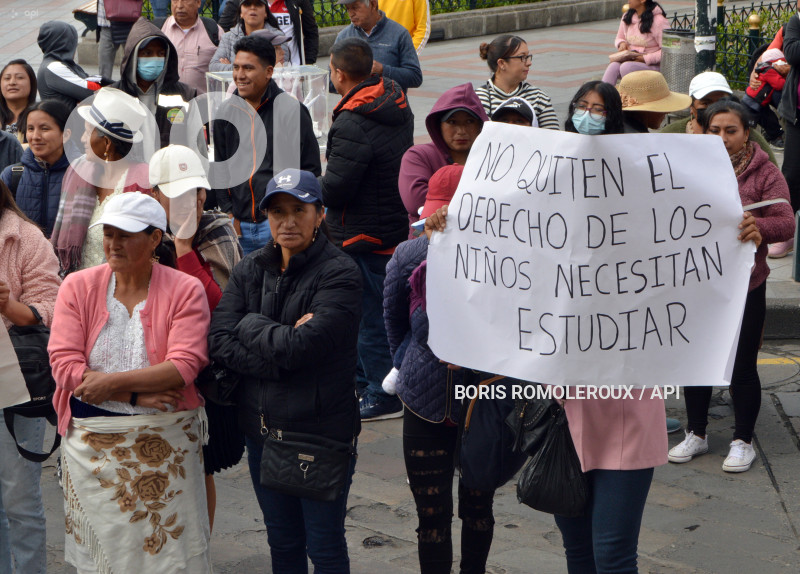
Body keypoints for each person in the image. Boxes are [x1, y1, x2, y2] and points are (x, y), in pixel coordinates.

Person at [424, 82, 667, 573]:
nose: (591, 116)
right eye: (582, 107)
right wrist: (451, 225)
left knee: (613, 555)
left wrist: (738, 237)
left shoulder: (644, 205)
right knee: (577, 550)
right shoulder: (544, 201)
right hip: (560, 412)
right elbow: (499, 244)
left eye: (601, 109)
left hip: (627, 407)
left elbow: (692, 272)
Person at [49, 192, 212, 573]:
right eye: (108, 233)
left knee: (167, 556)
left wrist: (104, 384)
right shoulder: (78, 286)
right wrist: (132, 393)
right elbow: (64, 365)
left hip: (165, 439)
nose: (113, 244)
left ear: (156, 239)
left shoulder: (185, 289)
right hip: (93, 445)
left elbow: (183, 366)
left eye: (126, 234)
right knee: (102, 557)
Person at [208, 169, 362, 573]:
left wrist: (249, 324)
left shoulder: (340, 272)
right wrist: (279, 354)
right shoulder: (250, 268)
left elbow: (301, 348)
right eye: (278, 211)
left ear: (319, 214)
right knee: (282, 540)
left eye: (299, 209)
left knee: (324, 546)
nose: (288, 221)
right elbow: (219, 341)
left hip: (320, 432)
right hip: (262, 430)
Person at [384, 164, 500, 574]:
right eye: (436, 214)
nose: (441, 223)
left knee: (478, 507)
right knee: (430, 517)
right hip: (423, 400)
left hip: (481, 401)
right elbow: (394, 323)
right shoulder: (408, 256)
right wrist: (406, 366)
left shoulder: (501, 260)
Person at [669, 100, 794, 474]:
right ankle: (697, 433)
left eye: (731, 131)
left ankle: (742, 440)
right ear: (702, 130)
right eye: (714, 130)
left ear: (747, 133)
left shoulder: (764, 173)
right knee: (697, 361)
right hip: (696, 284)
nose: (722, 139)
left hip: (745, 286)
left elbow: (786, 222)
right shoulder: (686, 168)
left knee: (741, 365)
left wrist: (760, 229)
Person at [148, 144, 243, 531]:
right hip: (155, 371)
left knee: (200, 462)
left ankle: (199, 548)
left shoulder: (217, 230)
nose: (193, 200)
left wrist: (186, 248)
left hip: (207, 373)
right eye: (179, 192)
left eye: (197, 191)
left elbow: (222, 308)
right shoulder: (144, 234)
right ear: (156, 195)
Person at [321, 38, 414, 421]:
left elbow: (338, 187)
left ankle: (382, 392)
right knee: (378, 311)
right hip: (390, 222)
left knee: (370, 318)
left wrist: (315, 184)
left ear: (339, 74)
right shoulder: (393, 99)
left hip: (361, 232)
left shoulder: (353, 120)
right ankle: (366, 381)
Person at [211, 34, 321, 255]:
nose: (239, 76)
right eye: (236, 67)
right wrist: (229, 213)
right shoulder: (225, 113)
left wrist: (291, 217)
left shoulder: (292, 111)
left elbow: (310, 171)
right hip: (239, 227)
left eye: (248, 68)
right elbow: (220, 169)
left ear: (269, 72)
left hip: (279, 227)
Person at [0, 179, 61, 574]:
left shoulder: (22, 235)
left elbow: (55, 305)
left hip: (18, 383)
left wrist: (11, 305)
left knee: (20, 501)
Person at [51, 87, 151, 275]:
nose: (82, 139)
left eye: (88, 132)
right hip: (76, 285)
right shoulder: (77, 171)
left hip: (121, 286)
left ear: (107, 144)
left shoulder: (143, 182)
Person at [399, 82, 488, 233]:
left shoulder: (492, 158)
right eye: (452, 122)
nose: (461, 131)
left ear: (481, 125)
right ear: (438, 124)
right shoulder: (418, 156)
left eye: (469, 121)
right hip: (427, 245)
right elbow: (416, 202)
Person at [112, 18, 200, 150]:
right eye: (147, 53)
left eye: (160, 54)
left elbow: (198, 147)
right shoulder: (113, 97)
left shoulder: (185, 96)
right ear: (133, 56)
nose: (155, 59)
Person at [0, 100, 71, 237]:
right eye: (30, 129)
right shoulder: (12, 175)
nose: (35, 137)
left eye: (44, 129)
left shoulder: (80, 174)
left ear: (66, 134)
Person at [334, 0, 423, 92]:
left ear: (373, 4)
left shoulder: (399, 34)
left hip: (390, 105)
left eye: (355, 7)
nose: (351, 14)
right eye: (347, 9)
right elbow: (331, 81)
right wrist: (350, 75)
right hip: (356, 105)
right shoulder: (344, 37)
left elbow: (415, 77)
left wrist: (383, 70)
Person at [475, 35, 559, 128]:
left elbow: (553, 138)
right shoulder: (478, 99)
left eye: (528, 57)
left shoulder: (538, 98)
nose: (528, 63)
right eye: (522, 57)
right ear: (502, 63)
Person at [218, 0, 319, 65]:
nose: (252, 7)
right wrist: (236, 67)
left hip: (291, 71)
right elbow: (221, 31)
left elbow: (311, 31)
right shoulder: (239, 2)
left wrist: (308, 63)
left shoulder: (298, 2)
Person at [160, 0, 225, 94]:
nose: (179, 6)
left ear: (198, 2)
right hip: (167, 105)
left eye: (185, 0)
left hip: (202, 104)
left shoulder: (214, 31)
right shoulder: (160, 29)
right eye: (175, 0)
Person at [37, 21, 105, 111]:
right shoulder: (53, 67)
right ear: (63, 44)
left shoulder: (58, 64)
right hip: (65, 123)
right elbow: (92, 91)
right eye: (72, 42)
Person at [602, 0, 669, 85]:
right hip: (631, 59)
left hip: (653, 66)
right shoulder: (627, 16)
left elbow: (668, 51)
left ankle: (632, 96)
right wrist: (622, 44)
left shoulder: (659, 21)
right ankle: (603, 96)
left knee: (626, 67)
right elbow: (620, 37)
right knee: (613, 66)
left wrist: (644, 58)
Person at [210, 0, 283, 71]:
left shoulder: (278, 37)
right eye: (247, 4)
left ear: (266, 13)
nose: (253, 8)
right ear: (241, 13)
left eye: (258, 4)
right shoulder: (227, 37)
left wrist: (234, 67)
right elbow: (213, 67)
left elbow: (282, 66)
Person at [618, 70, 690, 133]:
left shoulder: (617, 128)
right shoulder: (639, 140)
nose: (667, 112)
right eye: (662, 107)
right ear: (646, 111)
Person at [743, 48, 787, 147]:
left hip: (760, 103)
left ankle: (773, 136)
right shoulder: (769, 71)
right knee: (749, 123)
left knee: (769, 119)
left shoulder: (765, 69)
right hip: (753, 103)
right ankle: (748, 141)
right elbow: (780, 84)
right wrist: (787, 77)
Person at [97, 0, 138, 82]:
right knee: (104, 67)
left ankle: (131, 89)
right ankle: (104, 90)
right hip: (107, 22)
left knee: (132, 64)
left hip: (129, 21)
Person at [0, 60, 37, 142]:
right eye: (7, 78)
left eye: (20, 77)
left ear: (32, 83)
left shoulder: (41, 115)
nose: (12, 82)